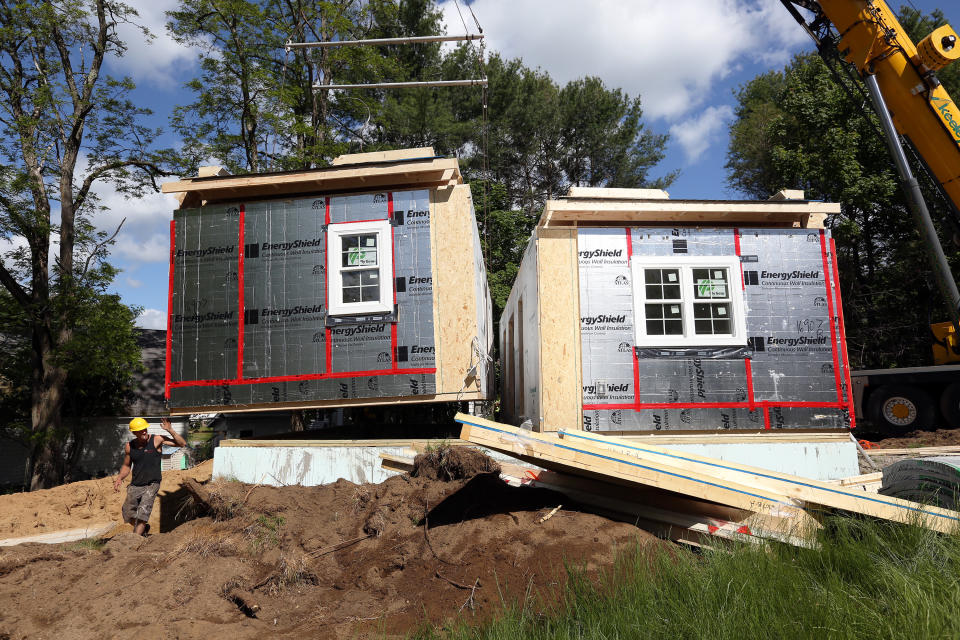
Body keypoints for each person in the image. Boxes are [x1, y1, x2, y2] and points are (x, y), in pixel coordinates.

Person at [113, 417, 187, 536]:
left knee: (142, 514)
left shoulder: (156, 440)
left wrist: (170, 430)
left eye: (145, 429)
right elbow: (127, 465)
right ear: (134, 432)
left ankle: (135, 540)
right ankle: (144, 529)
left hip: (152, 484)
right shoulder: (129, 446)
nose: (144, 432)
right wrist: (119, 478)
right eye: (140, 430)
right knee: (127, 514)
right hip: (135, 485)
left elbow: (182, 443)